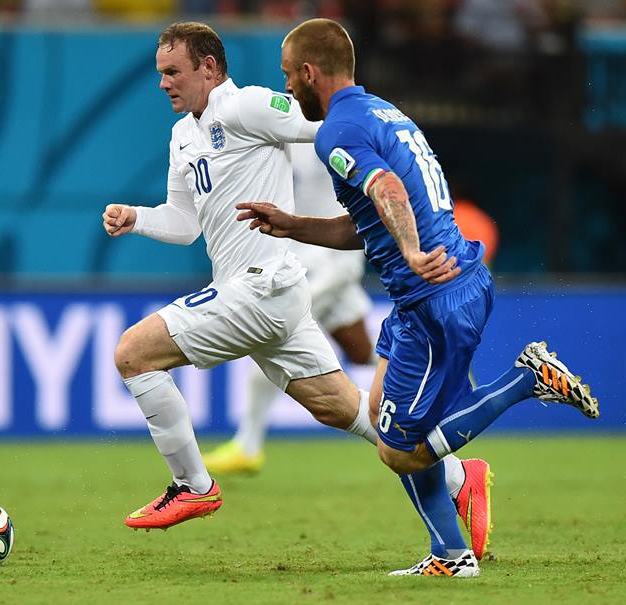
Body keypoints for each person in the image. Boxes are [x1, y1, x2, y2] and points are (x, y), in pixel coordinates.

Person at [238, 18, 600, 577]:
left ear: (310, 72)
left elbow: (388, 189)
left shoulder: (338, 130)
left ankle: (528, 379)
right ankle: (450, 556)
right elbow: (368, 220)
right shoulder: (382, 112)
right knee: (386, 421)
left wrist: (409, 251)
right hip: (427, 294)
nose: (287, 88)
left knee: (399, 448)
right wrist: (292, 225)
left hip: (436, 292)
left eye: (289, 76)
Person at [102, 22, 482, 542]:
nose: (164, 83)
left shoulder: (248, 107)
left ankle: (192, 484)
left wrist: (389, 151)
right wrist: (137, 218)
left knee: (133, 353)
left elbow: (325, 124)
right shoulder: (182, 136)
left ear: (209, 68)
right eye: (160, 73)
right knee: (341, 408)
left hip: (263, 286)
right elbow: (185, 223)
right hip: (266, 297)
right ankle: (462, 477)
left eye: (173, 72)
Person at [203, 142, 376, 474]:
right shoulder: (279, 137)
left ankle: (247, 447)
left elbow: (360, 203)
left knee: (268, 349)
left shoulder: (340, 140)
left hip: (332, 266)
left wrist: (347, 265)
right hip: (301, 259)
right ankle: (437, 365)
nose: (290, 91)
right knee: (362, 352)